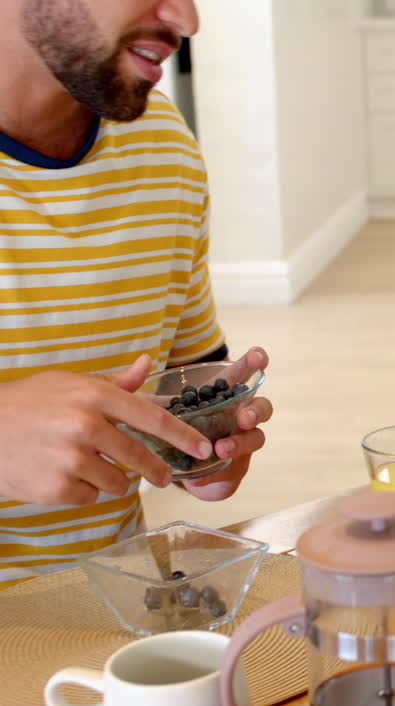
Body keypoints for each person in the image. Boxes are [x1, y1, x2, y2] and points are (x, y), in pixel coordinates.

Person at [0, 0, 272, 589]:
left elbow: (184, 374)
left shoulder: (161, 146)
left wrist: (200, 442)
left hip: (108, 606)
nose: (187, 20)